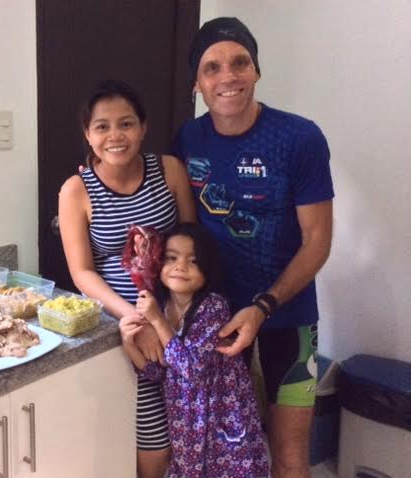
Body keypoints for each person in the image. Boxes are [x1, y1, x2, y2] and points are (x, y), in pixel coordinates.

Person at [171, 17, 334, 478]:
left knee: (289, 454)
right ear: (197, 84)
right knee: (223, 454)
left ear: (256, 70)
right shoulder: (188, 139)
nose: (228, 76)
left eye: (240, 62)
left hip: (288, 316)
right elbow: (175, 217)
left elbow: (318, 241)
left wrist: (263, 306)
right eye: (212, 67)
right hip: (217, 319)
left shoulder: (299, 138)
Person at [58, 79, 196, 478]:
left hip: (179, 317)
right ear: (88, 134)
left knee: (187, 428)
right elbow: (82, 271)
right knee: (155, 444)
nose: (115, 136)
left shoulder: (169, 170)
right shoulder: (76, 191)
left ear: (143, 127)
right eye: (102, 126)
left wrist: (172, 317)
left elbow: (192, 243)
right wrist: (134, 319)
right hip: (123, 326)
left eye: (126, 123)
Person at [120, 222, 269, 477]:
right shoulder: (162, 306)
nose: (181, 266)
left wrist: (157, 321)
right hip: (186, 420)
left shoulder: (213, 308)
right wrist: (128, 343)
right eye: (172, 258)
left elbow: (191, 368)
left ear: (208, 269)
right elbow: (160, 372)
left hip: (221, 416)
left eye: (194, 260)